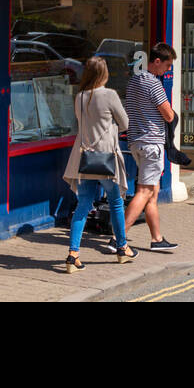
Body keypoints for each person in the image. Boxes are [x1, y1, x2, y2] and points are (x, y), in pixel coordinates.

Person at [62, 57, 137, 272]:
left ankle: (73, 255)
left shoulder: (80, 97)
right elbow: (125, 123)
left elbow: (81, 123)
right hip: (106, 160)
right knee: (115, 203)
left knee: (83, 206)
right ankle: (122, 248)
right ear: (104, 74)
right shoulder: (110, 95)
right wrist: (110, 125)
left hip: (85, 160)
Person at [121, 42, 180, 252]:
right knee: (145, 191)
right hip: (151, 143)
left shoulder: (134, 81)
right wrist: (171, 114)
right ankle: (118, 238)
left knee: (152, 191)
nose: (167, 70)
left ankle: (157, 239)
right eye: (167, 65)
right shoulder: (153, 84)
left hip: (136, 141)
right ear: (156, 61)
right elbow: (168, 114)